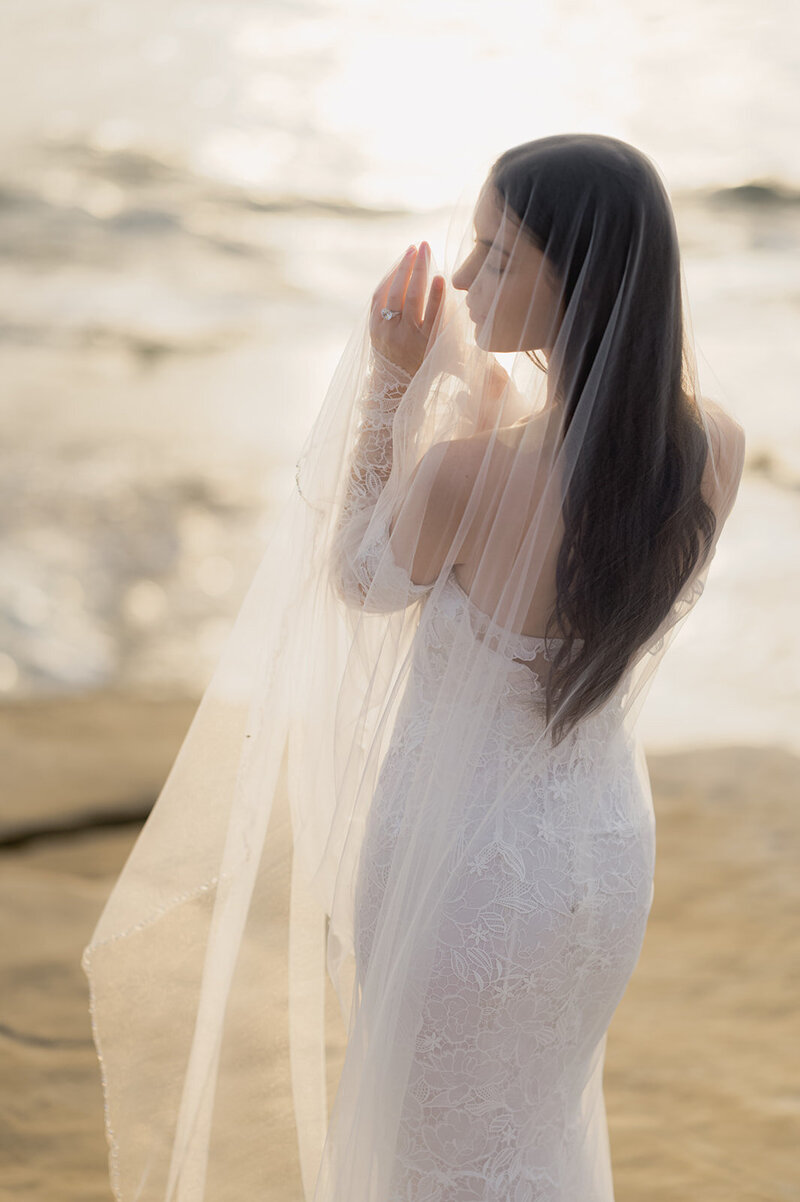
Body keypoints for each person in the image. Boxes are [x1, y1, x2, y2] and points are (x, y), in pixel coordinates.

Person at [82, 134, 745, 1202]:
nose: (468, 279)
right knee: (535, 1125)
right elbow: (565, 551)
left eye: (496, 255)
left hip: (460, 866)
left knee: (426, 1149)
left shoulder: (466, 475)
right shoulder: (710, 446)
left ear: (573, 282)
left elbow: (358, 575)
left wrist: (390, 391)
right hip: (599, 857)